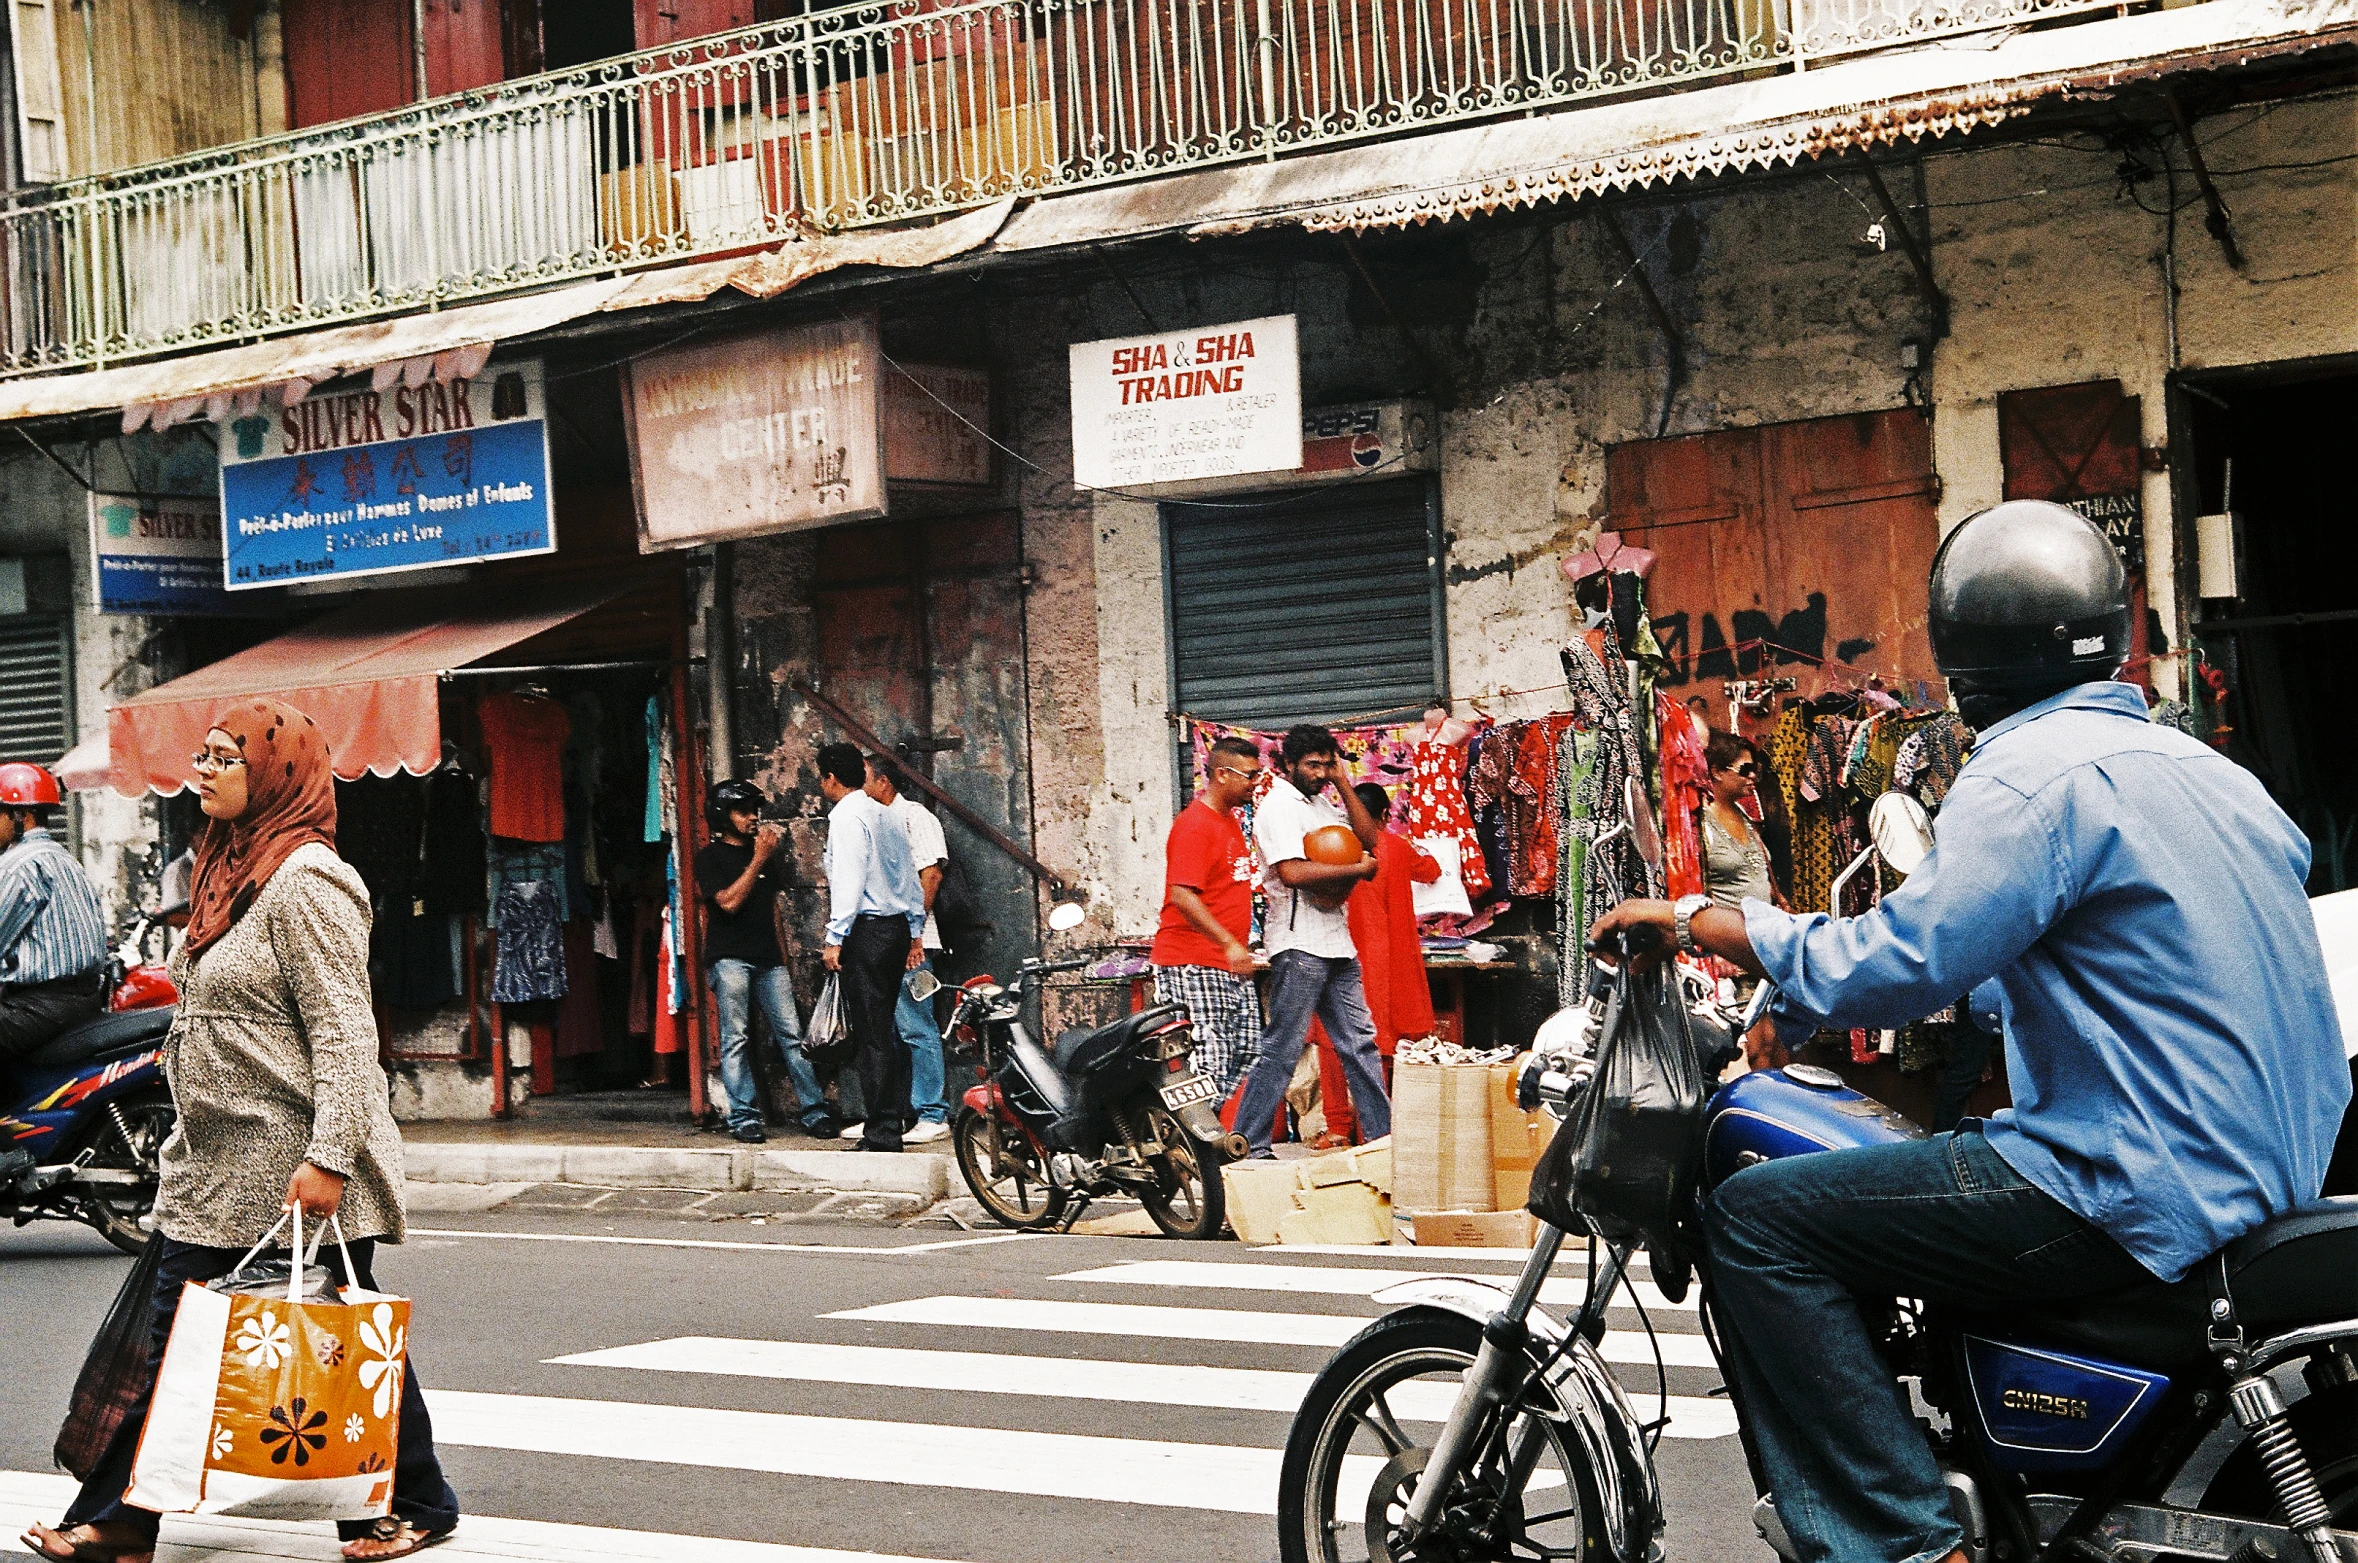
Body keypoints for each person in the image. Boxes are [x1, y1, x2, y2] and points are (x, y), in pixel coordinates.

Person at [1589, 500, 2350, 1563]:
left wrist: (1708, 922)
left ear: (1963, 650)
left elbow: (1911, 959)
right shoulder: (2214, 775)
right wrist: (1799, 1005)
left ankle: (1906, 1534)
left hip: (2132, 1181)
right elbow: (2068, 966)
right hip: (2270, 1169)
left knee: (1761, 1223)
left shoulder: (2027, 777)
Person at [24, 699, 460, 1563]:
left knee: (310, 1341)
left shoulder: (309, 881)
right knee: (274, 1338)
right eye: (205, 752)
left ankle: (124, 1520)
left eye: (227, 757)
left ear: (276, 773)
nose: (205, 767)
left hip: (291, 1168)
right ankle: (410, 1497)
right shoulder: (228, 866)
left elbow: (345, 1032)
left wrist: (329, 1157)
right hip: (215, 1166)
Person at [1229, 725, 1392, 1156]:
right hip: (1299, 945)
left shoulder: (1321, 803)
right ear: (1287, 765)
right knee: (1283, 1048)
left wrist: (1343, 782)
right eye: (1312, 764)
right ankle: (1249, 1144)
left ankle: (1381, 1140)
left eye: (1326, 763)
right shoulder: (1279, 807)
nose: (1320, 772)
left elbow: (1370, 839)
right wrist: (1357, 870)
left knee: (1360, 1045)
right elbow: (1293, 872)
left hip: (1337, 943)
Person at [695, 778, 834, 1144]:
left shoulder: (764, 858)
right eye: (744, 811)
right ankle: (743, 1116)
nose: (753, 817)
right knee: (735, 1038)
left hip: (768, 960)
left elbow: (773, 910)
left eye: (755, 810)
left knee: (792, 1035)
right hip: (729, 960)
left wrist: (784, 960)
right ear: (723, 816)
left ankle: (815, 1110)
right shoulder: (708, 858)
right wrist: (758, 858)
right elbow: (727, 903)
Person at [815, 741, 927, 1154]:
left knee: (872, 1033)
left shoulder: (846, 817)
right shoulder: (887, 815)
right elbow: (909, 878)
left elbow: (849, 879)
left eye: (822, 778)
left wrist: (835, 936)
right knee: (887, 1030)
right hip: (896, 928)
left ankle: (881, 1130)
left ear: (830, 778)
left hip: (868, 930)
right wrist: (914, 928)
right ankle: (891, 1119)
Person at [1316, 783, 1438, 1146]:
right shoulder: (1397, 847)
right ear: (1385, 815)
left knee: (1332, 1040)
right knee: (1384, 1038)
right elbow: (1430, 870)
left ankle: (1339, 1127)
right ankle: (1384, 1125)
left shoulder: (1334, 845)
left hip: (1339, 952)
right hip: (1389, 956)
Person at [1150, 736, 1264, 1097]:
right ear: (1221, 775)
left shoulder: (1229, 821)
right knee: (1208, 1061)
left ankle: (1198, 1134)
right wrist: (1229, 943)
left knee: (1248, 1051)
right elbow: (1182, 895)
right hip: (1193, 960)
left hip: (1228, 962)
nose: (1255, 783)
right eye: (1249, 775)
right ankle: (1195, 1145)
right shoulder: (1195, 824)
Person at [864, 753, 951, 1146]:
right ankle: (894, 1115)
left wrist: (914, 933)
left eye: (863, 777)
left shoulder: (916, 817)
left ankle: (932, 1112)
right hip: (885, 942)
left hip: (914, 943)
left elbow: (930, 874)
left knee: (918, 1026)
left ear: (884, 782)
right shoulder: (873, 822)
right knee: (890, 1031)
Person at [0, 762, 108, 1071]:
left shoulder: (18, 866)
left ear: (20, 816)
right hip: (84, 1000)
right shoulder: (65, 859)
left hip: (40, 1008)